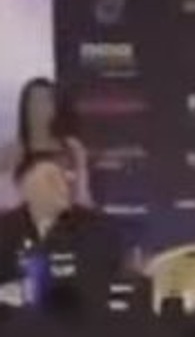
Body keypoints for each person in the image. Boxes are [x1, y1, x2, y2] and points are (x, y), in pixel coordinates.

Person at [0, 153, 124, 311]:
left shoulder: (98, 227)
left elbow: (98, 280)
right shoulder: (5, 228)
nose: (63, 185)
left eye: (64, 178)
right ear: (24, 189)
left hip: (76, 318)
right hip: (13, 319)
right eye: (51, 179)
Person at [0, 78, 93, 207]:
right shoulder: (11, 151)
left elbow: (82, 198)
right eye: (33, 101)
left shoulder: (72, 149)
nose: (38, 107)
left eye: (45, 101)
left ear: (55, 107)